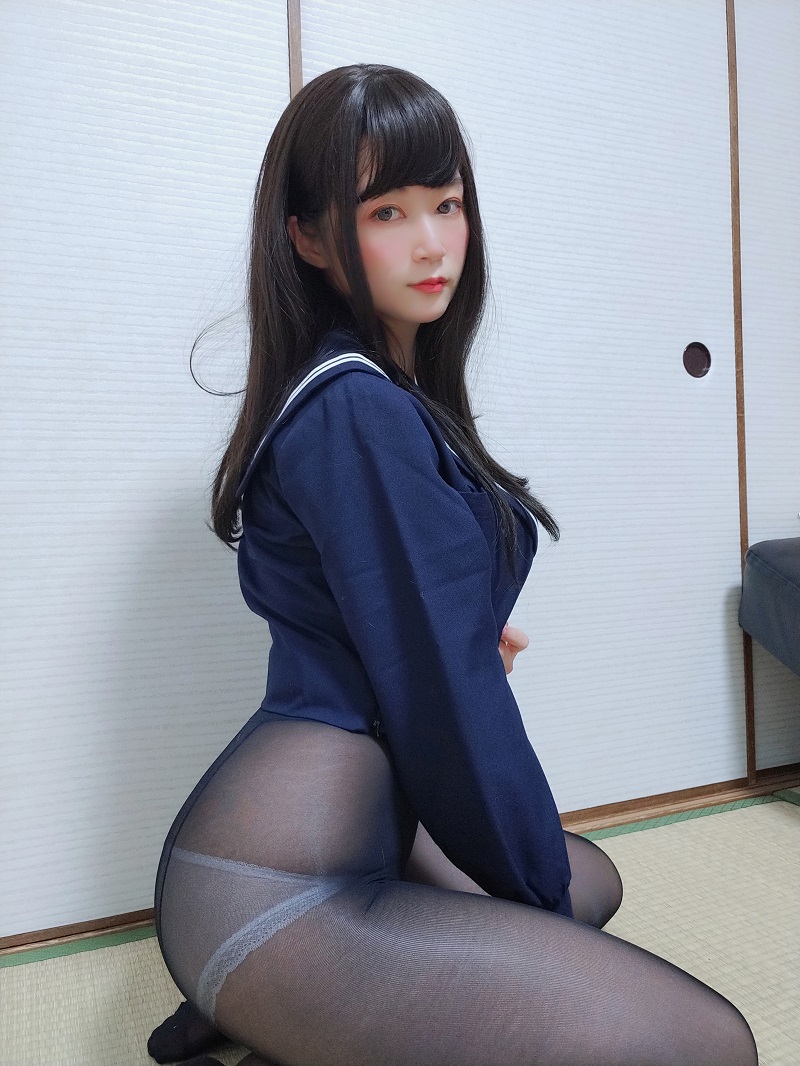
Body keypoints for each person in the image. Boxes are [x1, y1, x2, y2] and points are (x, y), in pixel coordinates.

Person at [150, 64, 758, 1066]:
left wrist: (462, 629)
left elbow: (392, 625)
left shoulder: (377, 385)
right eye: (386, 213)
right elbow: (447, 706)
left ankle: (286, 1021)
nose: (431, 243)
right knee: (705, 1043)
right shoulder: (356, 409)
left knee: (591, 881)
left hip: (343, 841)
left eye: (447, 204)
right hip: (276, 894)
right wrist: (537, 907)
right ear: (309, 238)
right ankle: (269, 1003)